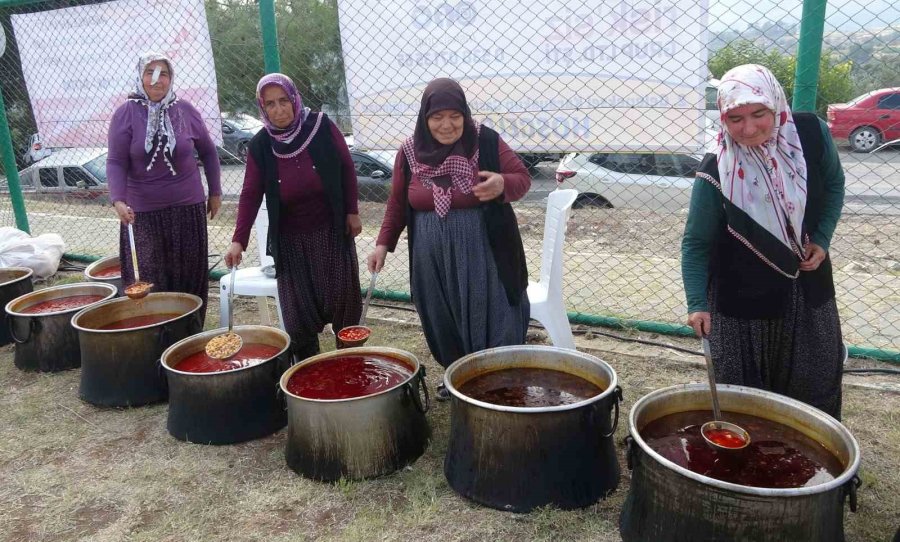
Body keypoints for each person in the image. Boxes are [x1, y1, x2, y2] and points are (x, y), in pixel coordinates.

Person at [681, 64, 845, 419]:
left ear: (776, 105)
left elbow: (834, 186)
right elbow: (696, 242)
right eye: (735, 118)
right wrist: (697, 303)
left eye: (759, 113)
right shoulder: (716, 167)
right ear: (723, 118)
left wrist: (822, 237)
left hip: (807, 288)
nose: (748, 128)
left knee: (813, 388)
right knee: (744, 400)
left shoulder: (811, 135)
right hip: (740, 300)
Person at [367, 78, 531, 399]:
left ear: (465, 115)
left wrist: (501, 184)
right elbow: (398, 203)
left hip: (485, 251)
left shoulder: (485, 140)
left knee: (493, 312)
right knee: (443, 317)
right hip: (432, 257)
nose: (447, 125)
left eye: (455, 115)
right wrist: (382, 245)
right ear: (425, 118)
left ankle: (497, 383)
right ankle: (458, 378)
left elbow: (522, 179)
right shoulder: (410, 151)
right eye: (437, 117)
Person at [225, 73, 361, 361]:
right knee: (298, 312)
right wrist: (239, 240)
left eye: (284, 101)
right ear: (263, 108)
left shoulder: (321, 126)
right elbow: (250, 193)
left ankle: (349, 364)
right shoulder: (262, 144)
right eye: (270, 104)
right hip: (289, 238)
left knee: (342, 301)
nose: (279, 110)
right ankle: (309, 369)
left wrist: (352, 211)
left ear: (294, 99)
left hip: (331, 230)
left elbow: (347, 168)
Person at [107, 52, 221, 322]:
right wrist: (118, 199)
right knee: (150, 280)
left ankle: (189, 334)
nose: (156, 80)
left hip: (187, 209)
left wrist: (215, 192)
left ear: (171, 78)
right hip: (142, 213)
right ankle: (155, 340)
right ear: (140, 76)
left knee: (189, 276)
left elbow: (209, 153)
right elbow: (115, 162)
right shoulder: (125, 114)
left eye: (164, 73)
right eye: (150, 73)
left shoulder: (186, 111)